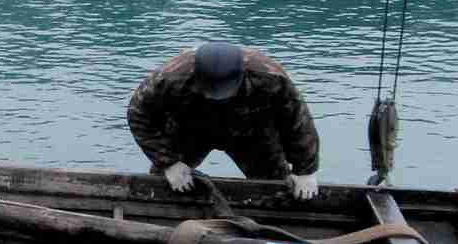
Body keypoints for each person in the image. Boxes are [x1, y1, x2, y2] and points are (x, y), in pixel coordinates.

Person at [127, 42, 321, 200]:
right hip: (189, 131)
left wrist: (305, 170)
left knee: (279, 187)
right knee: (165, 182)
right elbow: (139, 114)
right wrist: (168, 162)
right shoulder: (169, 78)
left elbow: (297, 122)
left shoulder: (270, 77)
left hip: (252, 134)